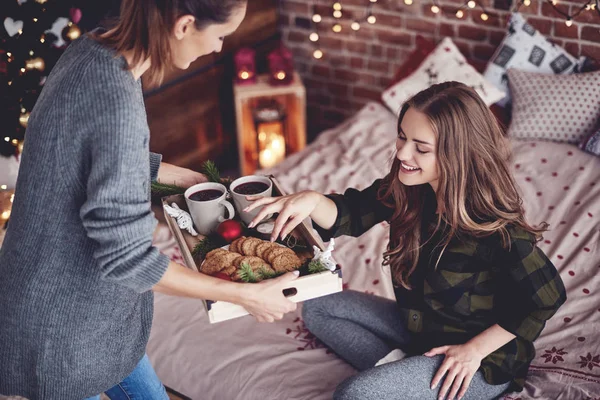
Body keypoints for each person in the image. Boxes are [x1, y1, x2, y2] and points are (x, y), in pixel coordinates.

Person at [0, 1, 299, 399]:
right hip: (63, 327)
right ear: (185, 24)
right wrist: (244, 294)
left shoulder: (96, 52)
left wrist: (182, 176)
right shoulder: (116, 101)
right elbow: (128, 258)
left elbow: (89, 152)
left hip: (95, 313)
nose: (217, 49)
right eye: (221, 36)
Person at [245, 82, 567, 400]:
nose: (402, 153)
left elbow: (546, 297)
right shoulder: (410, 189)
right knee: (318, 307)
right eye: (402, 136)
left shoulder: (495, 228)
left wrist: (473, 351)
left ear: (457, 155)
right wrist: (311, 200)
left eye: (420, 147)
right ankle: (405, 375)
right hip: (422, 329)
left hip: (479, 361)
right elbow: (352, 212)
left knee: (354, 394)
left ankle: (408, 381)